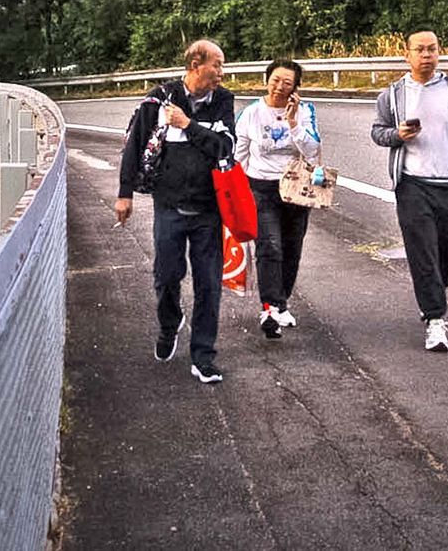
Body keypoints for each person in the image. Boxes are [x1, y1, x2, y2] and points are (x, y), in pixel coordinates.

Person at [116, 39, 237, 384]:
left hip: (208, 210)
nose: (222, 73)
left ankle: (203, 356)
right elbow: (134, 145)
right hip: (168, 207)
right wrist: (124, 194)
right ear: (196, 64)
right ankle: (170, 324)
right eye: (218, 65)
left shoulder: (223, 101)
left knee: (209, 284)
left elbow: (225, 146)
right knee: (166, 277)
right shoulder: (159, 99)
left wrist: (188, 125)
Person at [369, 30, 448, 352]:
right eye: (420, 50)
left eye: (432, 50)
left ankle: (436, 286)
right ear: (407, 55)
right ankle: (435, 319)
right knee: (422, 250)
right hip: (412, 185)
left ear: (439, 53)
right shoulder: (393, 95)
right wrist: (397, 134)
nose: (426, 55)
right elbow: (378, 133)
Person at [235, 59, 322, 338]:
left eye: (287, 82)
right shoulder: (251, 113)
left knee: (291, 247)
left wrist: (294, 122)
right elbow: (240, 153)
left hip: (295, 189)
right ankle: (270, 308)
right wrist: (236, 189)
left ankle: (281, 302)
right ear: (267, 79)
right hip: (261, 188)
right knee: (269, 246)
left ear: (295, 88)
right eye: (275, 80)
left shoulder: (306, 111)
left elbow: (312, 151)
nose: (279, 87)